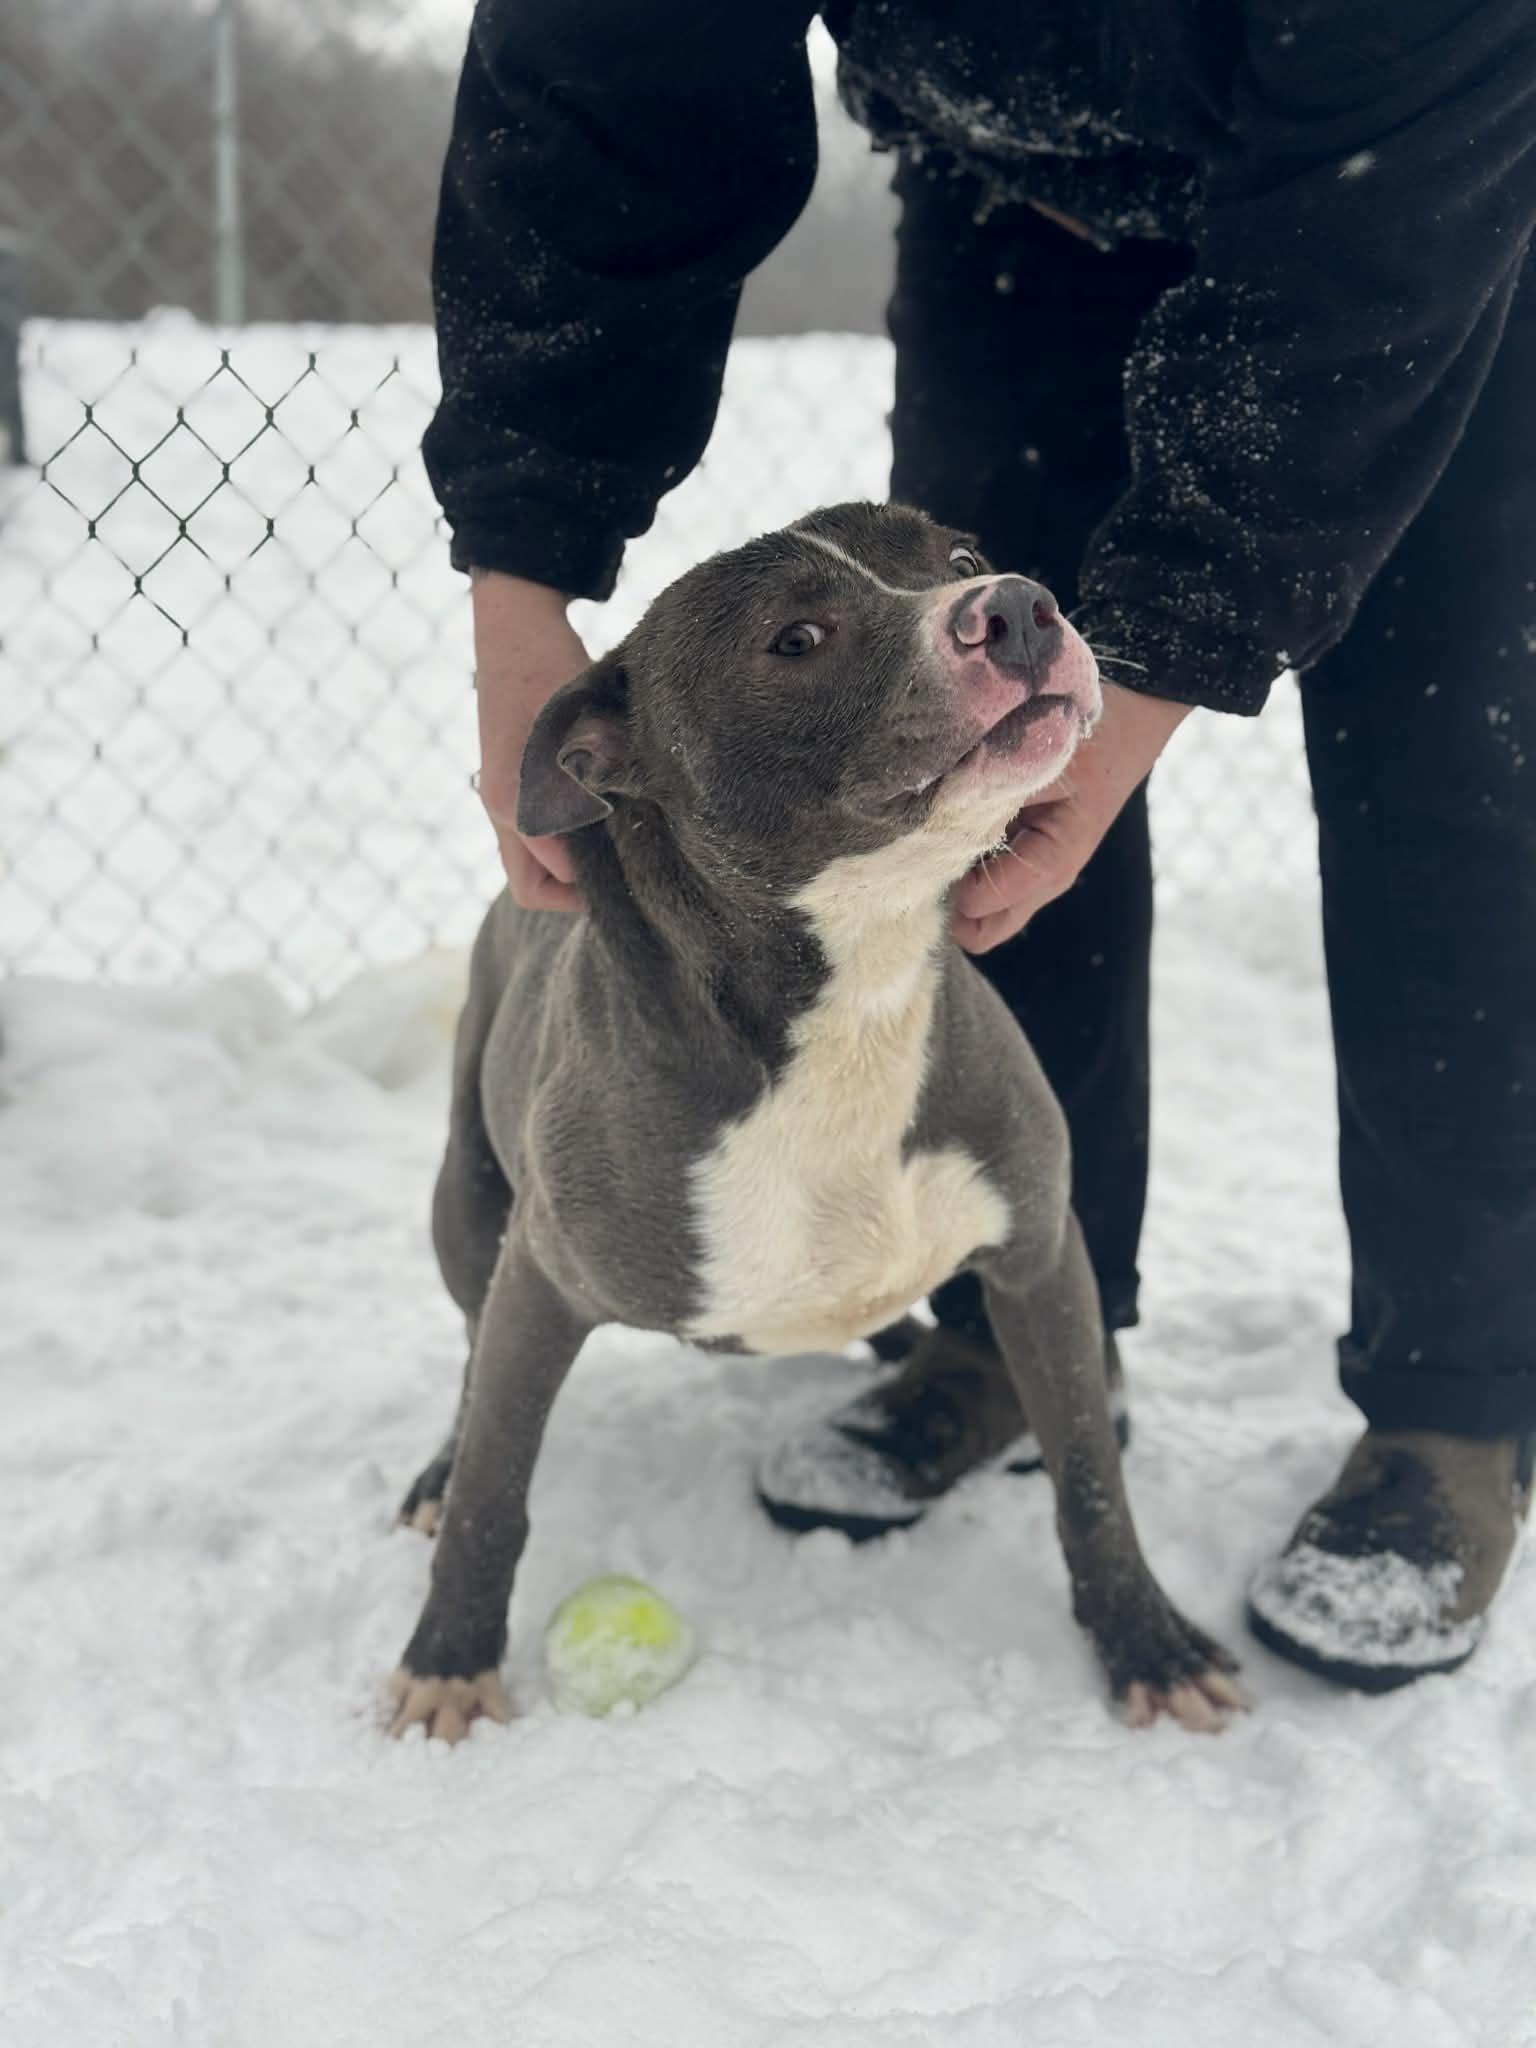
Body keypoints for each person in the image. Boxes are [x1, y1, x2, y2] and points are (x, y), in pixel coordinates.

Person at [421, 2, 1536, 1691]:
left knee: (1454, 786)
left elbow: (1402, 145)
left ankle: (1458, 1408)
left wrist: (1158, 672)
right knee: (940, 814)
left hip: (1413, 205)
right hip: (1017, 195)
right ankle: (990, 1328)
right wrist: (522, 554)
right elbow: (608, 70)